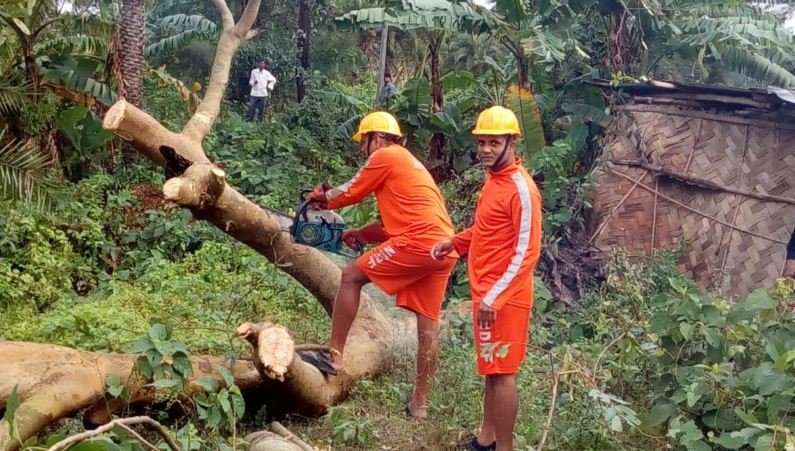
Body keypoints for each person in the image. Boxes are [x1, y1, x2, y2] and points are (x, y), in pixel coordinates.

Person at [306, 111, 458, 419]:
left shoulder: (386, 155)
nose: (362, 149)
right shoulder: (408, 164)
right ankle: (420, 404)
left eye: (364, 142)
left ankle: (333, 359)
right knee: (428, 325)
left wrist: (322, 198)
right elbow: (392, 226)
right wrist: (360, 234)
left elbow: (350, 191)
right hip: (444, 247)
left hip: (419, 241)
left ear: (376, 138)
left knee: (350, 276)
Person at [431, 106, 542, 451]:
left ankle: (503, 448)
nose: (486, 150)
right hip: (487, 292)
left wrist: (497, 296)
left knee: (504, 372)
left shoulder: (522, 189)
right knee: (492, 370)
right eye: (482, 142)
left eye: (494, 142)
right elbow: (488, 230)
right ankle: (486, 439)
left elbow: (527, 250)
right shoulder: (495, 182)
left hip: (504, 298)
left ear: (512, 143)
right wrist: (455, 242)